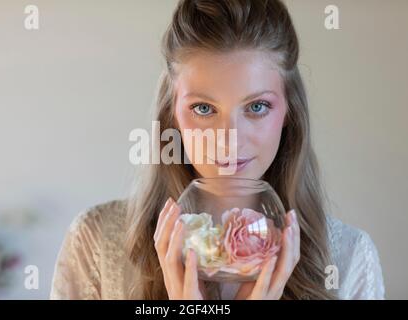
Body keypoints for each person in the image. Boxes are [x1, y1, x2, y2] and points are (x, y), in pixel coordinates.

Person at [50, 0, 384, 300]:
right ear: (172, 115)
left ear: (289, 112)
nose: (228, 140)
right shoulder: (96, 243)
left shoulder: (350, 259)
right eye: (204, 109)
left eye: (256, 107)